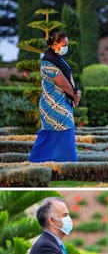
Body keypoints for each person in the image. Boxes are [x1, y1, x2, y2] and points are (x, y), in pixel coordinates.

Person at [28, 30, 80, 163]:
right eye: (64, 44)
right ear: (55, 44)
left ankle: (59, 161)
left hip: (61, 102)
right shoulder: (48, 60)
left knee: (59, 129)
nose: (66, 47)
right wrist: (74, 95)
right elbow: (62, 82)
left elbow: (69, 78)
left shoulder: (57, 58)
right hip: (52, 104)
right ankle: (42, 160)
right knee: (62, 127)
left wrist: (77, 90)